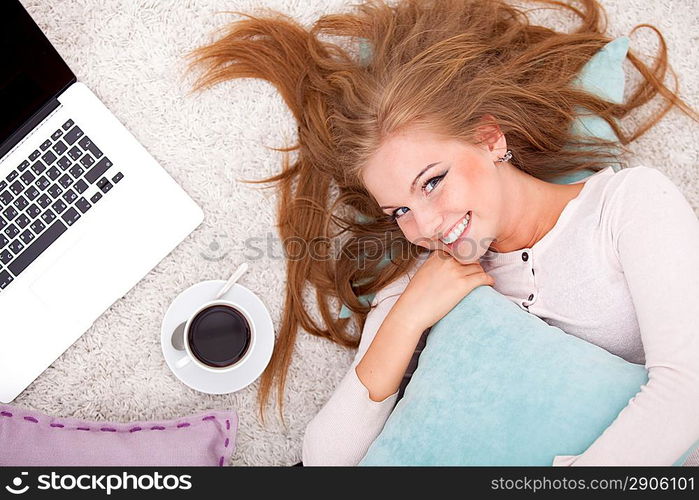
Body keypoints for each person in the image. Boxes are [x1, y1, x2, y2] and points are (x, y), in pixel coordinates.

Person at [187, 0, 699, 465]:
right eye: (399, 211)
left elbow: (688, 389)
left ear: (489, 139)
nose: (424, 226)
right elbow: (326, 459)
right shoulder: (427, 279)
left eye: (433, 181)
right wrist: (408, 316)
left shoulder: (627, 205)